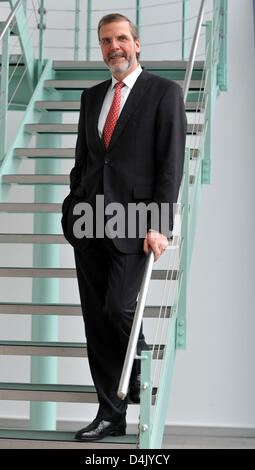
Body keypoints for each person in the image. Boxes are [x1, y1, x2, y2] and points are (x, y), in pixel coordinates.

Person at [61, 13, 187, 442]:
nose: (113, 47)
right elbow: (85, 161)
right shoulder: (91, 95)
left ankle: (140, 368)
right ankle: (110, 414)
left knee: (119, 308)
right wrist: (72, 205)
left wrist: (160, 225)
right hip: (89, 222)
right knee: (97, 321)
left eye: (120, 39)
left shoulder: (164, 93)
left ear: (137, 43)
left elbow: (170, 166)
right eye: (105, 41)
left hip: (135, 224)